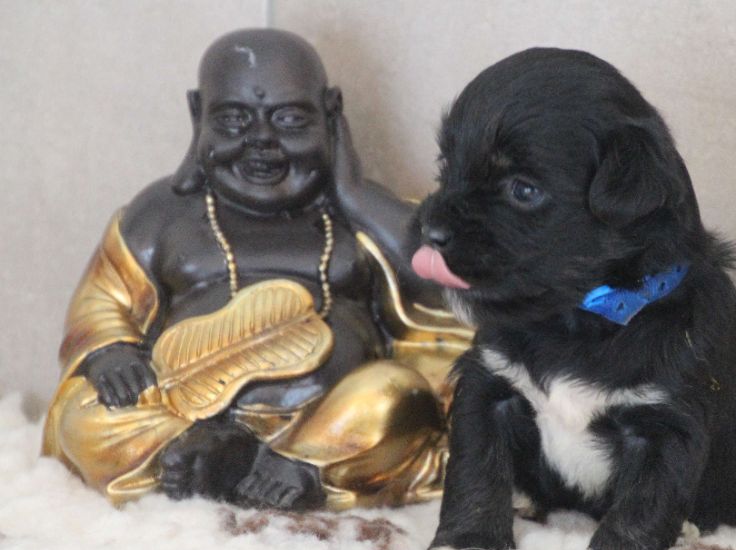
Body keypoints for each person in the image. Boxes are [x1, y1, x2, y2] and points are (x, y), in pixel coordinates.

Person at [42, 28, 470, 511]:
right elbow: (104, 297)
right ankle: (201, 457)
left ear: (331, 113)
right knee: (85, 416)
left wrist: (356, 196)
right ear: (197, 113)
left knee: (398, 394)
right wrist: (111, 350)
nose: (261, 140)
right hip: (186, 412)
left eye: (289, 119)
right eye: (233, 120)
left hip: (331, 416)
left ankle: (301, 465)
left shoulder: (362, 217)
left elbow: (448, 288)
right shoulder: (160, 216)